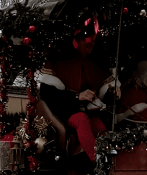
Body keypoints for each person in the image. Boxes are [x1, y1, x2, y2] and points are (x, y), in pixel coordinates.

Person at [39, 23, 115, 162]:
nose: (91, 46)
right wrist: (77, 96)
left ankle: (108, 156)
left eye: (93, 43)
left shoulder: (91, 64)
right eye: (88, 43)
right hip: (62, 113)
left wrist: (111, 92)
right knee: (81, 119)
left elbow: (102, 88)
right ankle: (96, 159)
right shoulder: (57, 64)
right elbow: (49, 95)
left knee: (97, 123)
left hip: (86, 111)